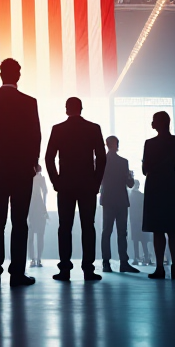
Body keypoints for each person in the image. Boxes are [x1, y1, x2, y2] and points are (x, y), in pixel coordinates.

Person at [0, 58, 41, 287]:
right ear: (19, 75)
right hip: (22, 171)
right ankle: (17, 273)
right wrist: (33, 163)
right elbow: (35, 136)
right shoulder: (29, 102)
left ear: (0, 73)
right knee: (20, 222)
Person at [45, 97, 107, 282]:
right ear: (81, 108)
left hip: (65, 185)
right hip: (88, 184)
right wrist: (96, 182)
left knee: (65, 227)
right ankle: (88, 269)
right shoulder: (93, 128)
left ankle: (65, 269)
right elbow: (102, 158)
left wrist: (56, 181)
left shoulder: (58, 129)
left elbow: (49, 158)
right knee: (89, 226)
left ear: (66, 109)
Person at [140, 111, 175, 280]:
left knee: (157, 229)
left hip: (155, 185)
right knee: (172, 228)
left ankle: (160, 267)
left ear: (156, 124)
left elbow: (145, 169)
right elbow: (169, 162)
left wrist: (149, 165)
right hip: (171, 183)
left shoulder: (149, 143)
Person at [100, 136, 138, 273]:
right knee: (122, 232)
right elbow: (130, 184)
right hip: (121, 200)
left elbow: (98, 181)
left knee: (106, 232)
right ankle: (123, 263)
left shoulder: (101, 161)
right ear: (116, 145)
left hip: (108, 200)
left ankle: (106, 263)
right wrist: (129, 176)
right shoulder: (123, 162)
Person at [28, 165, 49, 268]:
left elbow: (45, 191)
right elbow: (45, 192)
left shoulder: (38, 178)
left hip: (33, 208)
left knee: (32, 237)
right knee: (38, 236)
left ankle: (34, 259)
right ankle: (37, 258)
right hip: (37, 208)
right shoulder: (40, 178)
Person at [129, 180, 151, 266]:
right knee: (143, 240)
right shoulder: (141, 195)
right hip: (140, 219)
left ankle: (137, 257)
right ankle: (145, 256)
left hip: (135, 220)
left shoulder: (131, 195)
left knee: (136, 240)